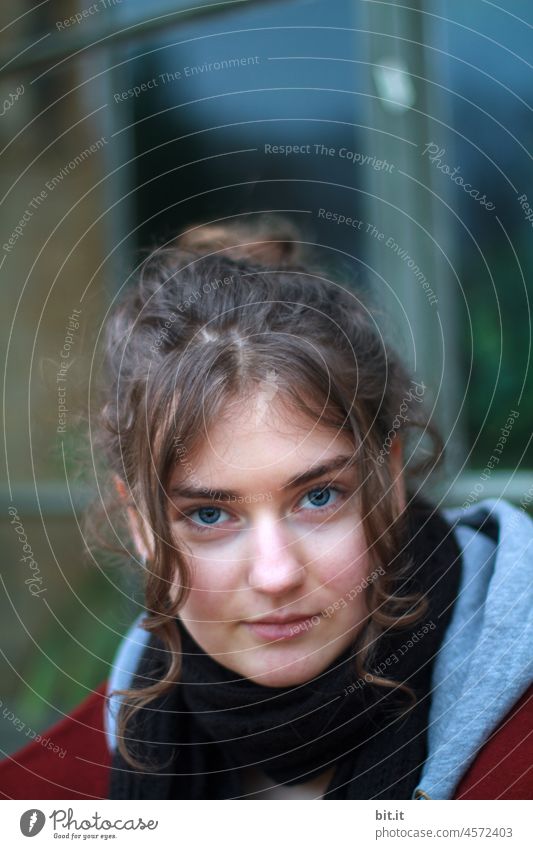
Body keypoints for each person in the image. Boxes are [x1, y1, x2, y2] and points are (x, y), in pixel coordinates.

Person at [96, 216, 533, 800]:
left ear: (391, 477)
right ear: (140, 525)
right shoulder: (117, 724)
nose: (277, 575)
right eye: (208, 514)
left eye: (319, 497)